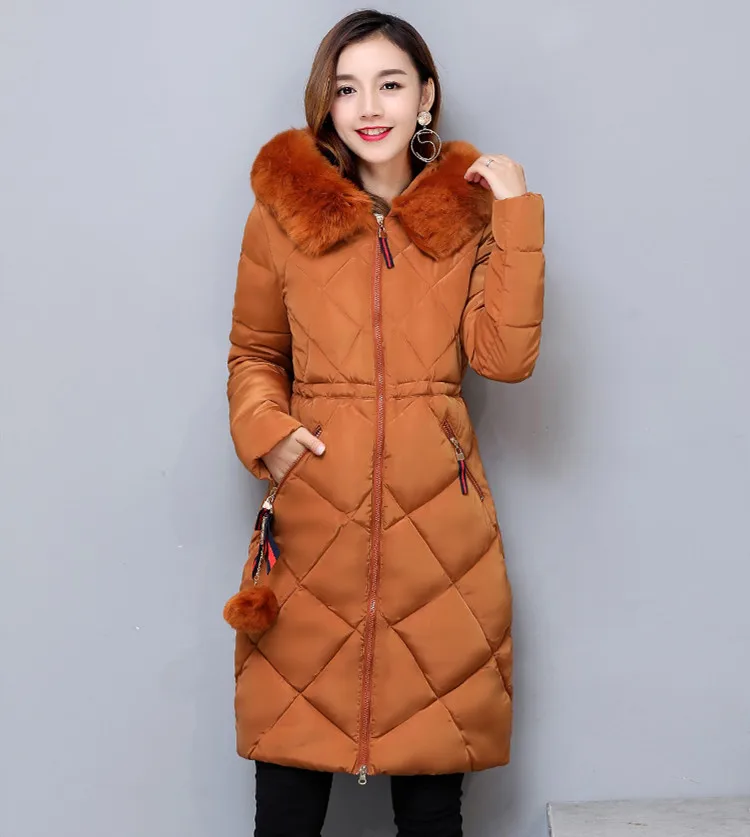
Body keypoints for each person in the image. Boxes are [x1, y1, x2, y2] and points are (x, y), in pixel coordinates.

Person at [222, 9, 545, 837]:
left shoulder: (470, 214)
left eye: (391, 84)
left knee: (432, 809)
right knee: (287, 801)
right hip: (313, 524)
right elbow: (255, 352)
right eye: (347, 88)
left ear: (426, 96)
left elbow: (504, 358)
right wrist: (270, 434)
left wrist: (515, 215)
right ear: (325, 103)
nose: (369, 107)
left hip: (441, 537)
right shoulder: (282, 215)